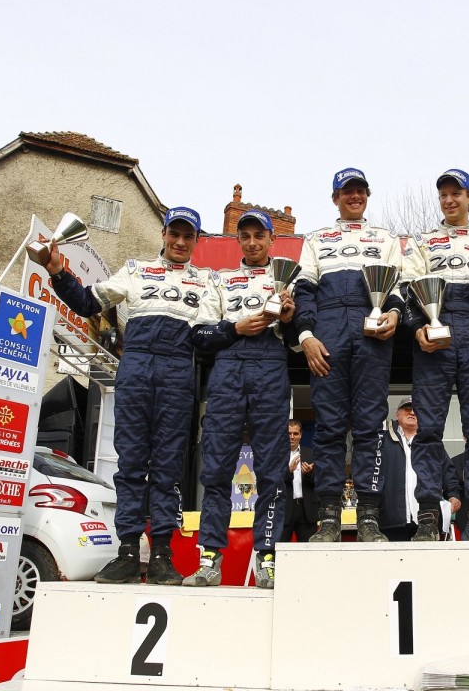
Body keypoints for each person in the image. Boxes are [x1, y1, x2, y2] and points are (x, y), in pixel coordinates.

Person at [43, 206, 204, 585]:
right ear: (164, 234)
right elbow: (87, 303)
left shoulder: (207, 280)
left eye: (188, 236)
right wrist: (56, 271)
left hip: (179, 372)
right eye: (174, 234)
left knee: (168, 468)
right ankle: (128, 551)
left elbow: (219, 330)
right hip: (135, 368)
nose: (180, 242)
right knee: (131, 464)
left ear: (196, 241)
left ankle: (162, 554)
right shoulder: (134, 271)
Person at [183, 210, 296, 589]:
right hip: (228, 369)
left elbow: (299, 334)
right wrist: (234, 328)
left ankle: (267, 557)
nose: (251, 242)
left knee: (272, 470)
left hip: (271, 368)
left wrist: (292, 317)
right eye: (244, 236)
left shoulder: (287, 277)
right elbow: (199, 336)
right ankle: (210, 557)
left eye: (258, 236)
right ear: (237, 241)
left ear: (271, 239)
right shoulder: (220, 280)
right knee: (215, 468)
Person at [294, 168, 404, 543]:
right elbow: (304, 290)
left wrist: (395, 314)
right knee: (328, 426)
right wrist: (307, 335)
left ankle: (369, 514)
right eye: (346, 191)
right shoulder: (316, 239)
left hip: (371, 330)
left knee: (371, 424)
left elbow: (397, 287)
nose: (354, 197)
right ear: (335, 198)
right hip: (328, 329)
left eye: (360, 191)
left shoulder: (386, 238)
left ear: (367, 195)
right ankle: (327, 517)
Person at [403, 169, 469, 542]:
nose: (449, 200)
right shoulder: (423, 241)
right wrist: (417, 326)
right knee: (428, 428)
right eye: (443, 195)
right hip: (435, 328)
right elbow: (406, 288)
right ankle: (429, 513)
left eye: (456, 194)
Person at [379, 397, 461, 541]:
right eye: (407, 409)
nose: (412, 412)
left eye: (416, 410)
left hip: (428, 521)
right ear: (397, 414)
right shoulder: (383, 442)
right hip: (391, 521)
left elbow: (448, 471)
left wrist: (453, 495)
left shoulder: (432, 443)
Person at [281, 419, 318, 542]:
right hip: (284, 510)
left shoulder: (311, 454)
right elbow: (272, 481)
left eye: (295, 433)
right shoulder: (277, 455)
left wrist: (309, 473)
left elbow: (319, 481)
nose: (292, 437)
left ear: (301, 435)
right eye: (289, 433)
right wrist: (288, 472)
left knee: (308, 554)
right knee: (280, 551)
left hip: (306, 511)